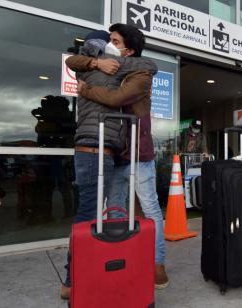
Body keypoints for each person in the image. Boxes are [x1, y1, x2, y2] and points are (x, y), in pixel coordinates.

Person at [67, 24, 168, 295]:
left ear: (129, 49)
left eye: (115, 41)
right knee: (115, 210)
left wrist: (85, 91)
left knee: (150, 208)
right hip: (115, 153)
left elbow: (116, 99)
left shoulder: (139, 72)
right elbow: (74, 61)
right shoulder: (109, 66)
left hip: (138, 153)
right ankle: (118, 261)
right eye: (108, 40)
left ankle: (157, 264)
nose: (109, 44)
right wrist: (95, 62)